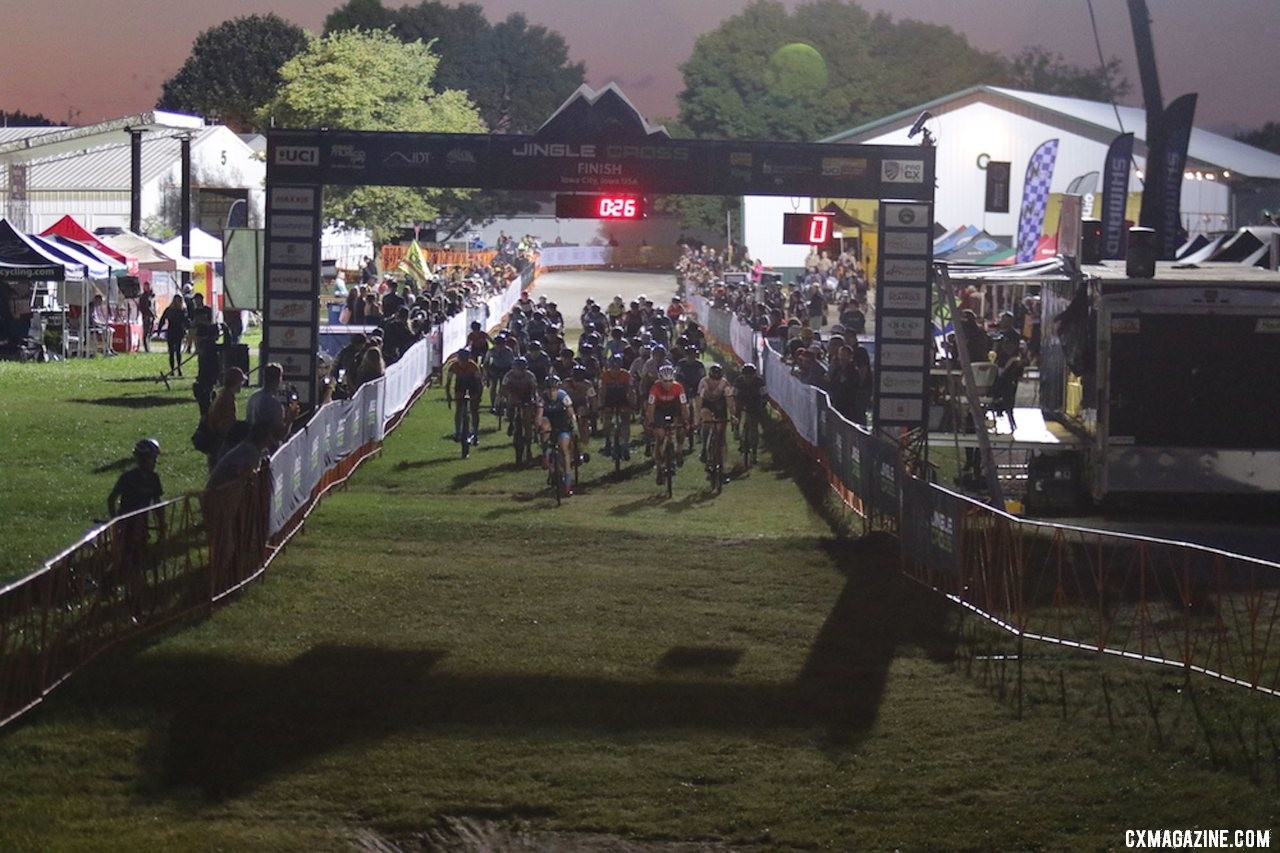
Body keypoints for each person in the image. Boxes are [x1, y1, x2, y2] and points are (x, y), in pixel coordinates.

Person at [535, 374, 578, 495]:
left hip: (562, 425)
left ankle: (568, 482)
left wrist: (574, 425)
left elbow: (570, 412)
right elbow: (539, 414)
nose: (551, 392)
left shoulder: (563, 396)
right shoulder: (542, 398)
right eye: (549, 389)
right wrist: (537, 425)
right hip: (549, 424)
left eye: (553, 389)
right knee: (544, 425)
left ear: (557, 389)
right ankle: (545, 454)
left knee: (564, 450)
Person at [645, 363, 688, 484]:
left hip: (674, 408)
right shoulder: (654, 388)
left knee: (681, 430)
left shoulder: (679, 387)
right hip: (659, 410)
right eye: (665, 381)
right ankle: (659, 468)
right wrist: (651, 422)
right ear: (660, 379)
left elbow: (684, 407)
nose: (668, 384)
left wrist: (685, 421)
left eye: (670, 381)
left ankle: (679, 451)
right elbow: (651, 408)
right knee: (660, 436)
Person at [108, 438, 164, 519]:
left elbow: (157, 502)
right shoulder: (128, 477)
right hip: (126, 523)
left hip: (142, 524)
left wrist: (161, 521)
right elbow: (112, 498)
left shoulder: (154, 478)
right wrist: (115, 520)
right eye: (152, 458)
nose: (154, 462)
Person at [244, 362, 298, 447]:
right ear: (279, 379)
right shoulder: (274, 404)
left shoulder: (253, 397)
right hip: (267, 448)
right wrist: (290, 419)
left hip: (250, 444)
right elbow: (280, 435)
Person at [202, 366, 246, 469]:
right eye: (241, 382)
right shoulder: (227, 399)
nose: (242, 385)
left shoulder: (222, 394)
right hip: (221, 444)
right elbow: (227, 424)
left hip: (215, 443)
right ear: (236, 382)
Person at [597, 352, 636, 460]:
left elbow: (631, 391)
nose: (615, 370)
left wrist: (632, 404)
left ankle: (626, 445)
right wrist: (601, 406)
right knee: (607, 419)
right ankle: (608, 441)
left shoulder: (626, 375)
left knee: (625, 420)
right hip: (609, 398)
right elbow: (602, 392)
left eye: (617, 368)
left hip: (622, 398)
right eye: (613, 368)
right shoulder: (604, 376)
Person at [695, 363, 734, 467]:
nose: (714, 382)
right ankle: (704, 447)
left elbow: (729, 400)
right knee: (707, 423)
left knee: (722, 436)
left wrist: (732, 414)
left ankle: (723, 464)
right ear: (709, 377)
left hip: (720, 405)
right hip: (707, 404)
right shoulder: (704, 382)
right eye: (712, 379)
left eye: (717, 380)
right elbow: (699, 401)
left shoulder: (725, 384)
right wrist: (698, 417)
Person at [446, 348, 484, 445]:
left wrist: (479, 396)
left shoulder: (473, 366)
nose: (463, 362)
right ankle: (458, 432)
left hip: (473, 385)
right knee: (459, 409)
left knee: (474, 410)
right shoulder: (453, 366)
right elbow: (448, 383)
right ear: (458, 358)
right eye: (461, 359)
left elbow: (479, 383)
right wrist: (449, 397)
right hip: (460, 385)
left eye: (465, 359)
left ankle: (475, 433)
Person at [155, 294, 189, 375]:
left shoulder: (183, 310)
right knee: (171, 352)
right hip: (171, 331)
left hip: (179, 332)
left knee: (178, 352)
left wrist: (188, 328)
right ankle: (172, 370)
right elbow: (163, 319)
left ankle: (179, 368)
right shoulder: (169, 310)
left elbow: (185, 321)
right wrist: (159, 330)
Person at [137, 283, 156, 353]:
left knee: (150, 332)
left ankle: (148, 346)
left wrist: (154, 314)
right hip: (147, 316)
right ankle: (146, 348)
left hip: (152, 316)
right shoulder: (144, 296)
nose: (147, 287)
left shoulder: (151, 295)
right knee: (146, 332)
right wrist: (150, 314)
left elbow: (153, 306)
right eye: (146, 286)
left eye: (148, 286)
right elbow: (144, 307)